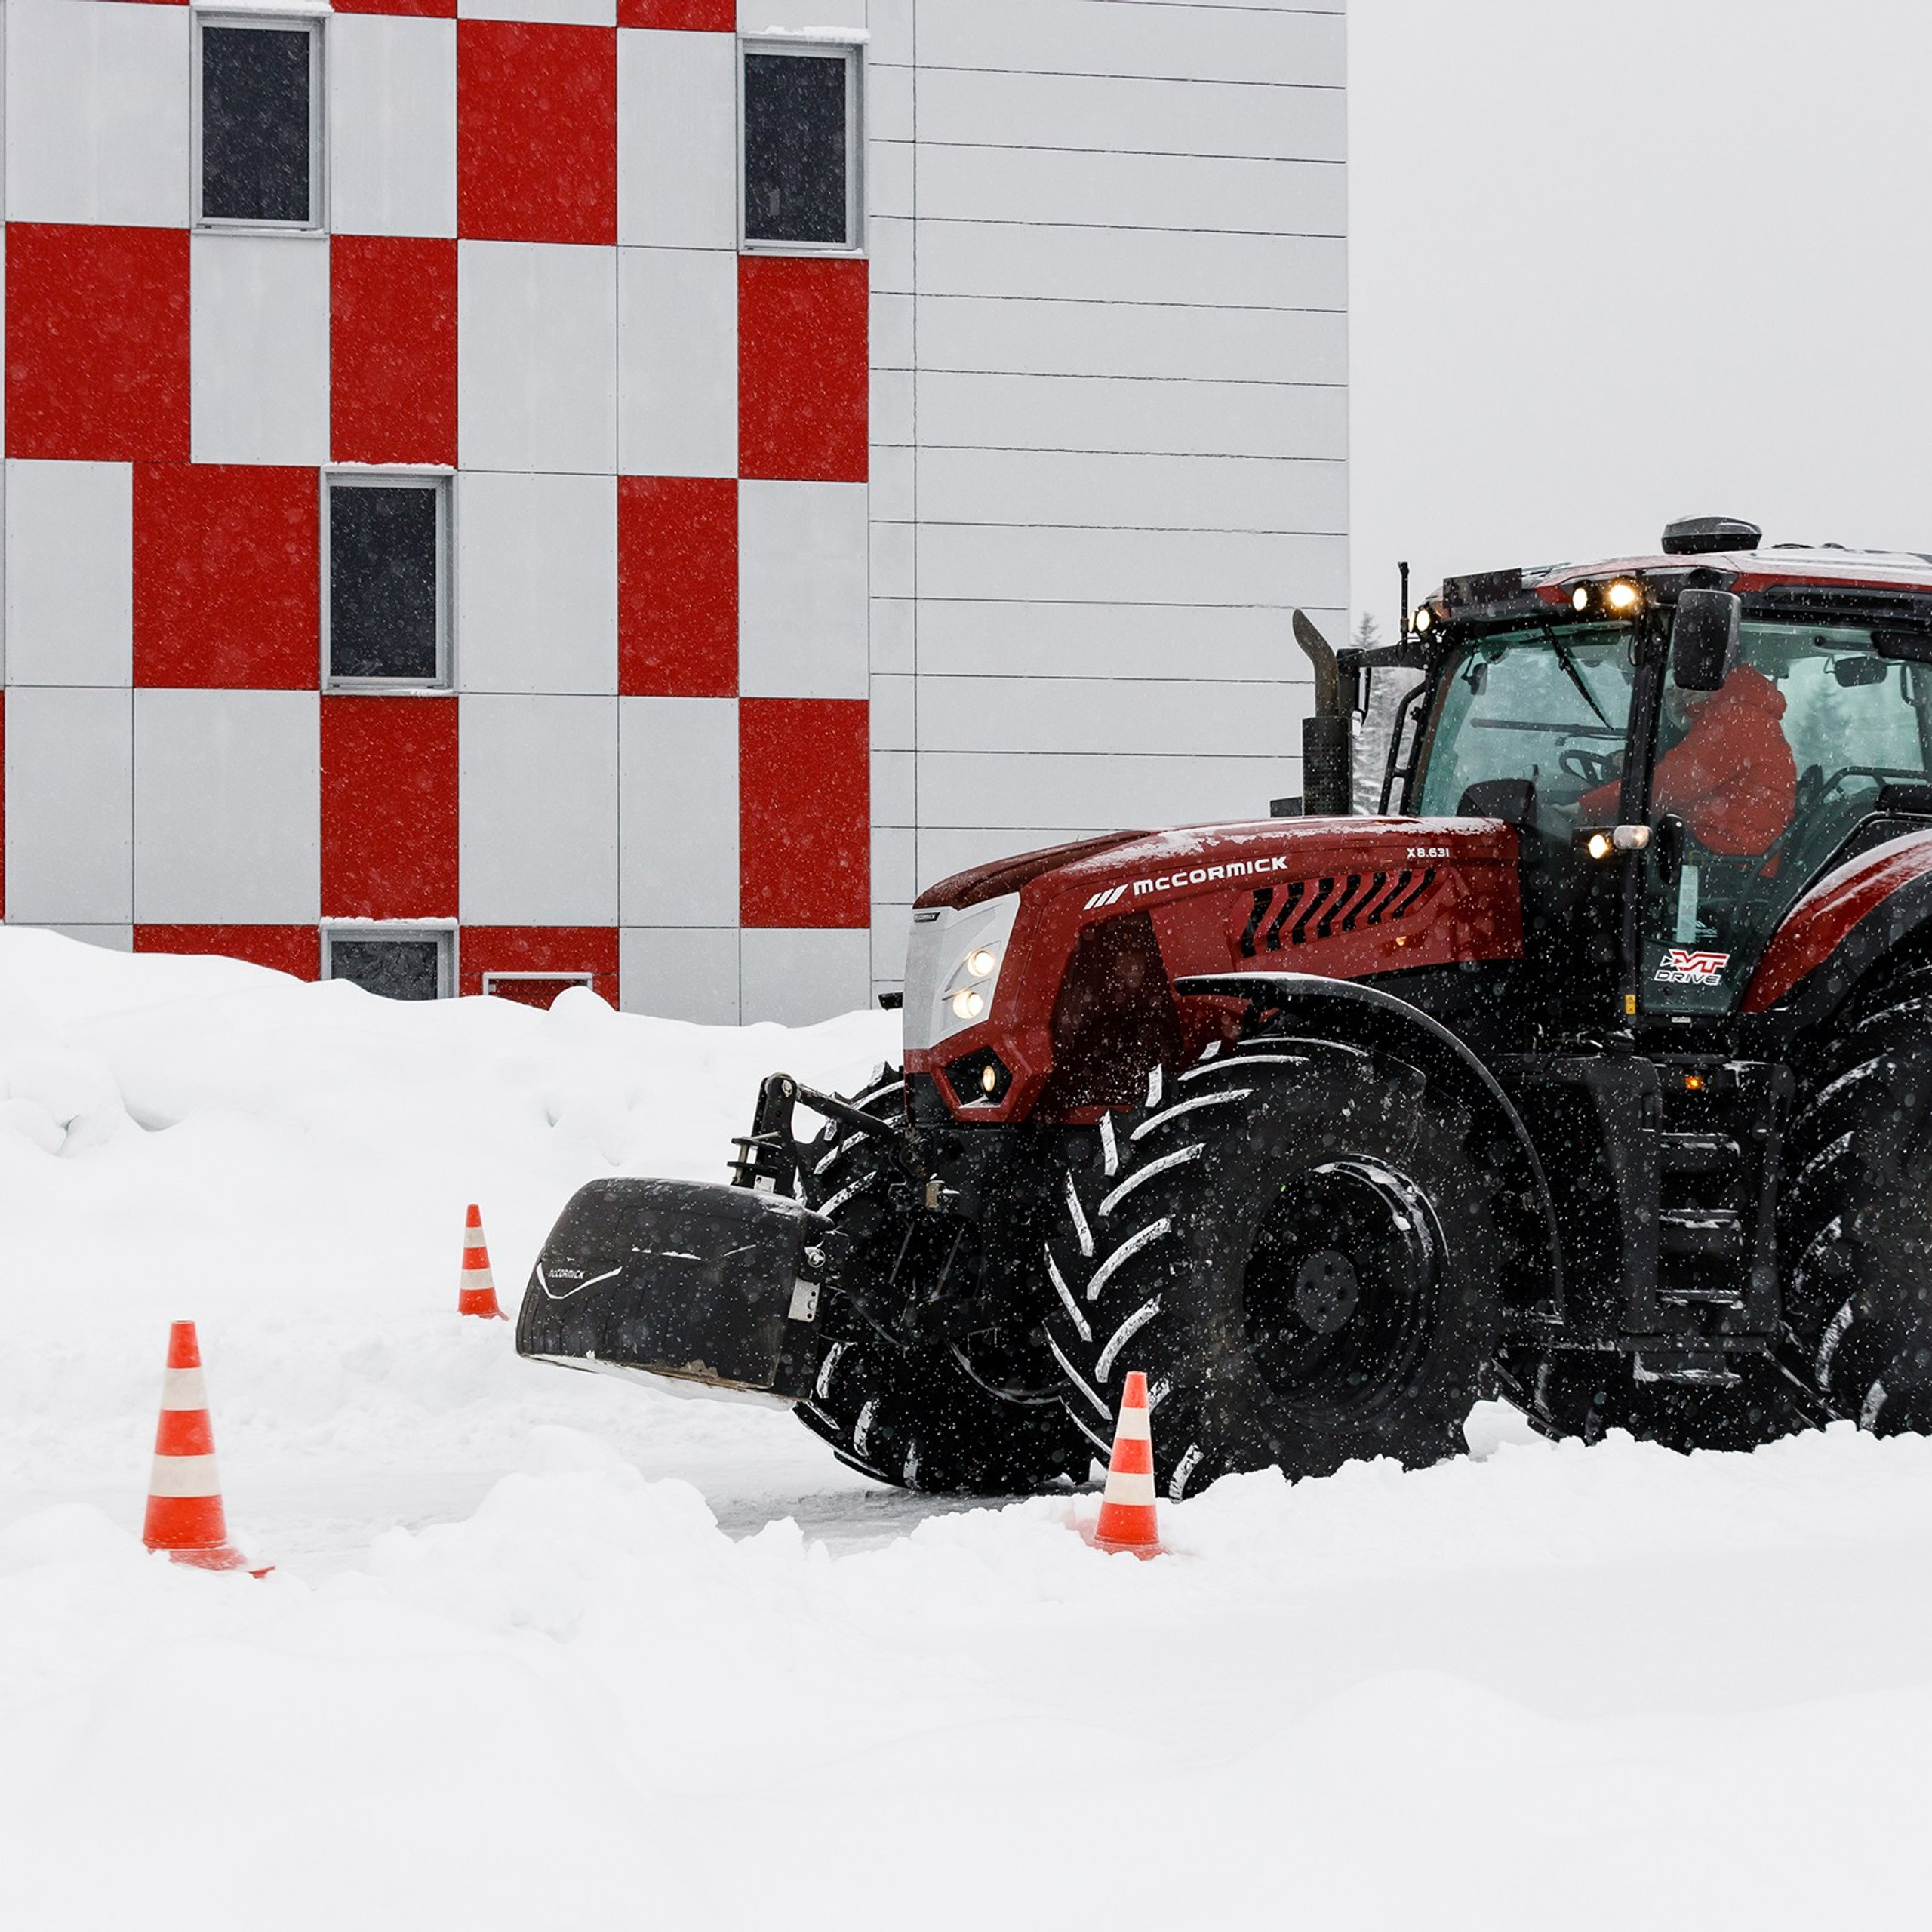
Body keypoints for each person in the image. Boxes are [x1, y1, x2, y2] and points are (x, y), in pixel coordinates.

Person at [1581, 663, 1798, 857]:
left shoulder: (1736, 719)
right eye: (1672, 693)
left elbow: (1668, 786)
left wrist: (1587, 806)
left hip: (1734, 855)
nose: (1682, 697)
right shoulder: (1735, 713)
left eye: (1688, 685)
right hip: (1729, 842)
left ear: (1712, 681)